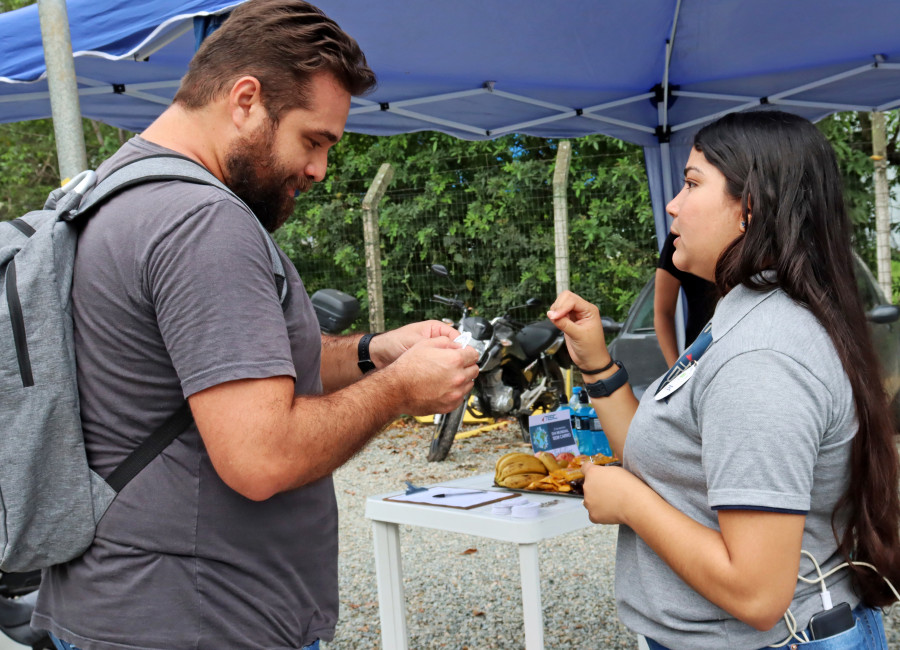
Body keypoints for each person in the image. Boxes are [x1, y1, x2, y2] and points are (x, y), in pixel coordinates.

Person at [31, 2, 480, 649]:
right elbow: (260, 455)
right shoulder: (202, 223)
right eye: (313, 139)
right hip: (196, 620)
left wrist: (373, 352)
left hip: (125, 607)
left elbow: (231, 368)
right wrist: (399, 391)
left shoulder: (117, 190)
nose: (320, 169)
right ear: (245, 100)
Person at [548, 110, 900, 648]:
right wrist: (596, 364)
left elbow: (758, 594)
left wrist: (629, 503)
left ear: (750, 207)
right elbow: (669, 465)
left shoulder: (761, 356)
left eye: (691, 183)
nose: (672, 202)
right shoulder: (748, 312)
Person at [653, 229, 717, 366]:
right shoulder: (677, 237)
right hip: (697, 356)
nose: (671, 208)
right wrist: (675, 370)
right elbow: (662, 312)